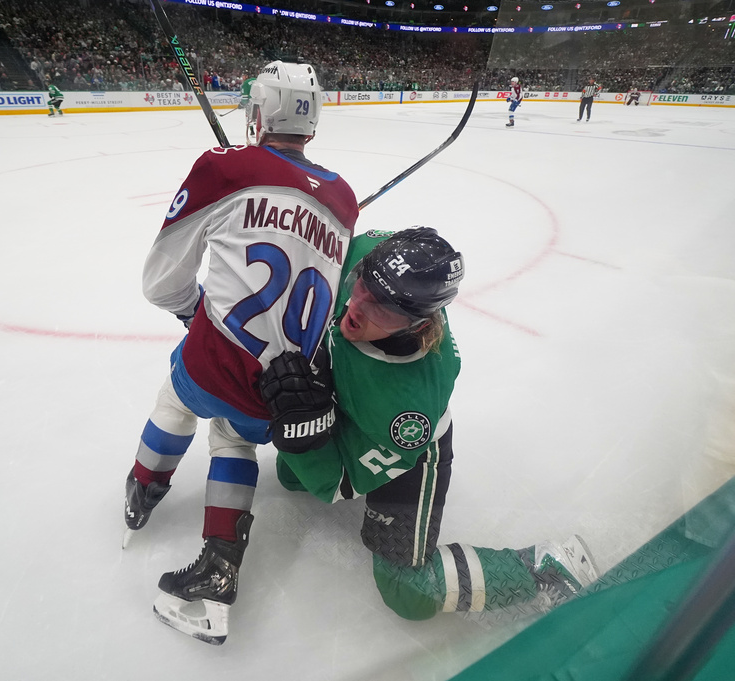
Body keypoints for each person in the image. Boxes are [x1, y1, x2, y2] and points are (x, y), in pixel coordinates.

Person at [123, 61, 359, 645]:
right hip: (281, 389)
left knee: (176, 399)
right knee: (233, 436)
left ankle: (144, 486)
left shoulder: (224, 168)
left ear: (257, 112)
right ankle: (218, 567)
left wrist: (191, 312)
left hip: (215, 361)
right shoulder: (344, 199)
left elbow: (160, 284)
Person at [260, 227, 600, 622]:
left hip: (411, 454)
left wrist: (301, 433)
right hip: (353, 399)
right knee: (290, 478)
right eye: (362, 285)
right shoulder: (375, 258)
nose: (356, 306)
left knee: (407, 592)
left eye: (382, 311)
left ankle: (542, 570)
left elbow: (339, 483)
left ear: (418, 324)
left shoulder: (404, 413)